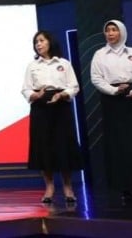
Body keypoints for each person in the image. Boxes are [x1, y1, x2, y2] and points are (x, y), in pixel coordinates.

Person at [90, 19, 132, 201]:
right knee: (118, 144)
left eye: (114, 30)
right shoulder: (99, 54)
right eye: (108, 30)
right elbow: (96, 78)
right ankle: (124, 187)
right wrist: (113, 90)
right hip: (112, 100)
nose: (110, 33)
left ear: (122, 32)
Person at [21, 30, 82, 204]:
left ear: (50, 42)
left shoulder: (64, 63)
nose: (38, 44)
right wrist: (35, 95)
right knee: (44, 146)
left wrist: (63, 94)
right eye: (36, 42)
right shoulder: (32, 66)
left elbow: (74, 86)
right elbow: (25, 89)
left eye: (41, 41)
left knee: (64, 145)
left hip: (61, 104)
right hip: (41, 106)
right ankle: (49, 187)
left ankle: (68, 187)